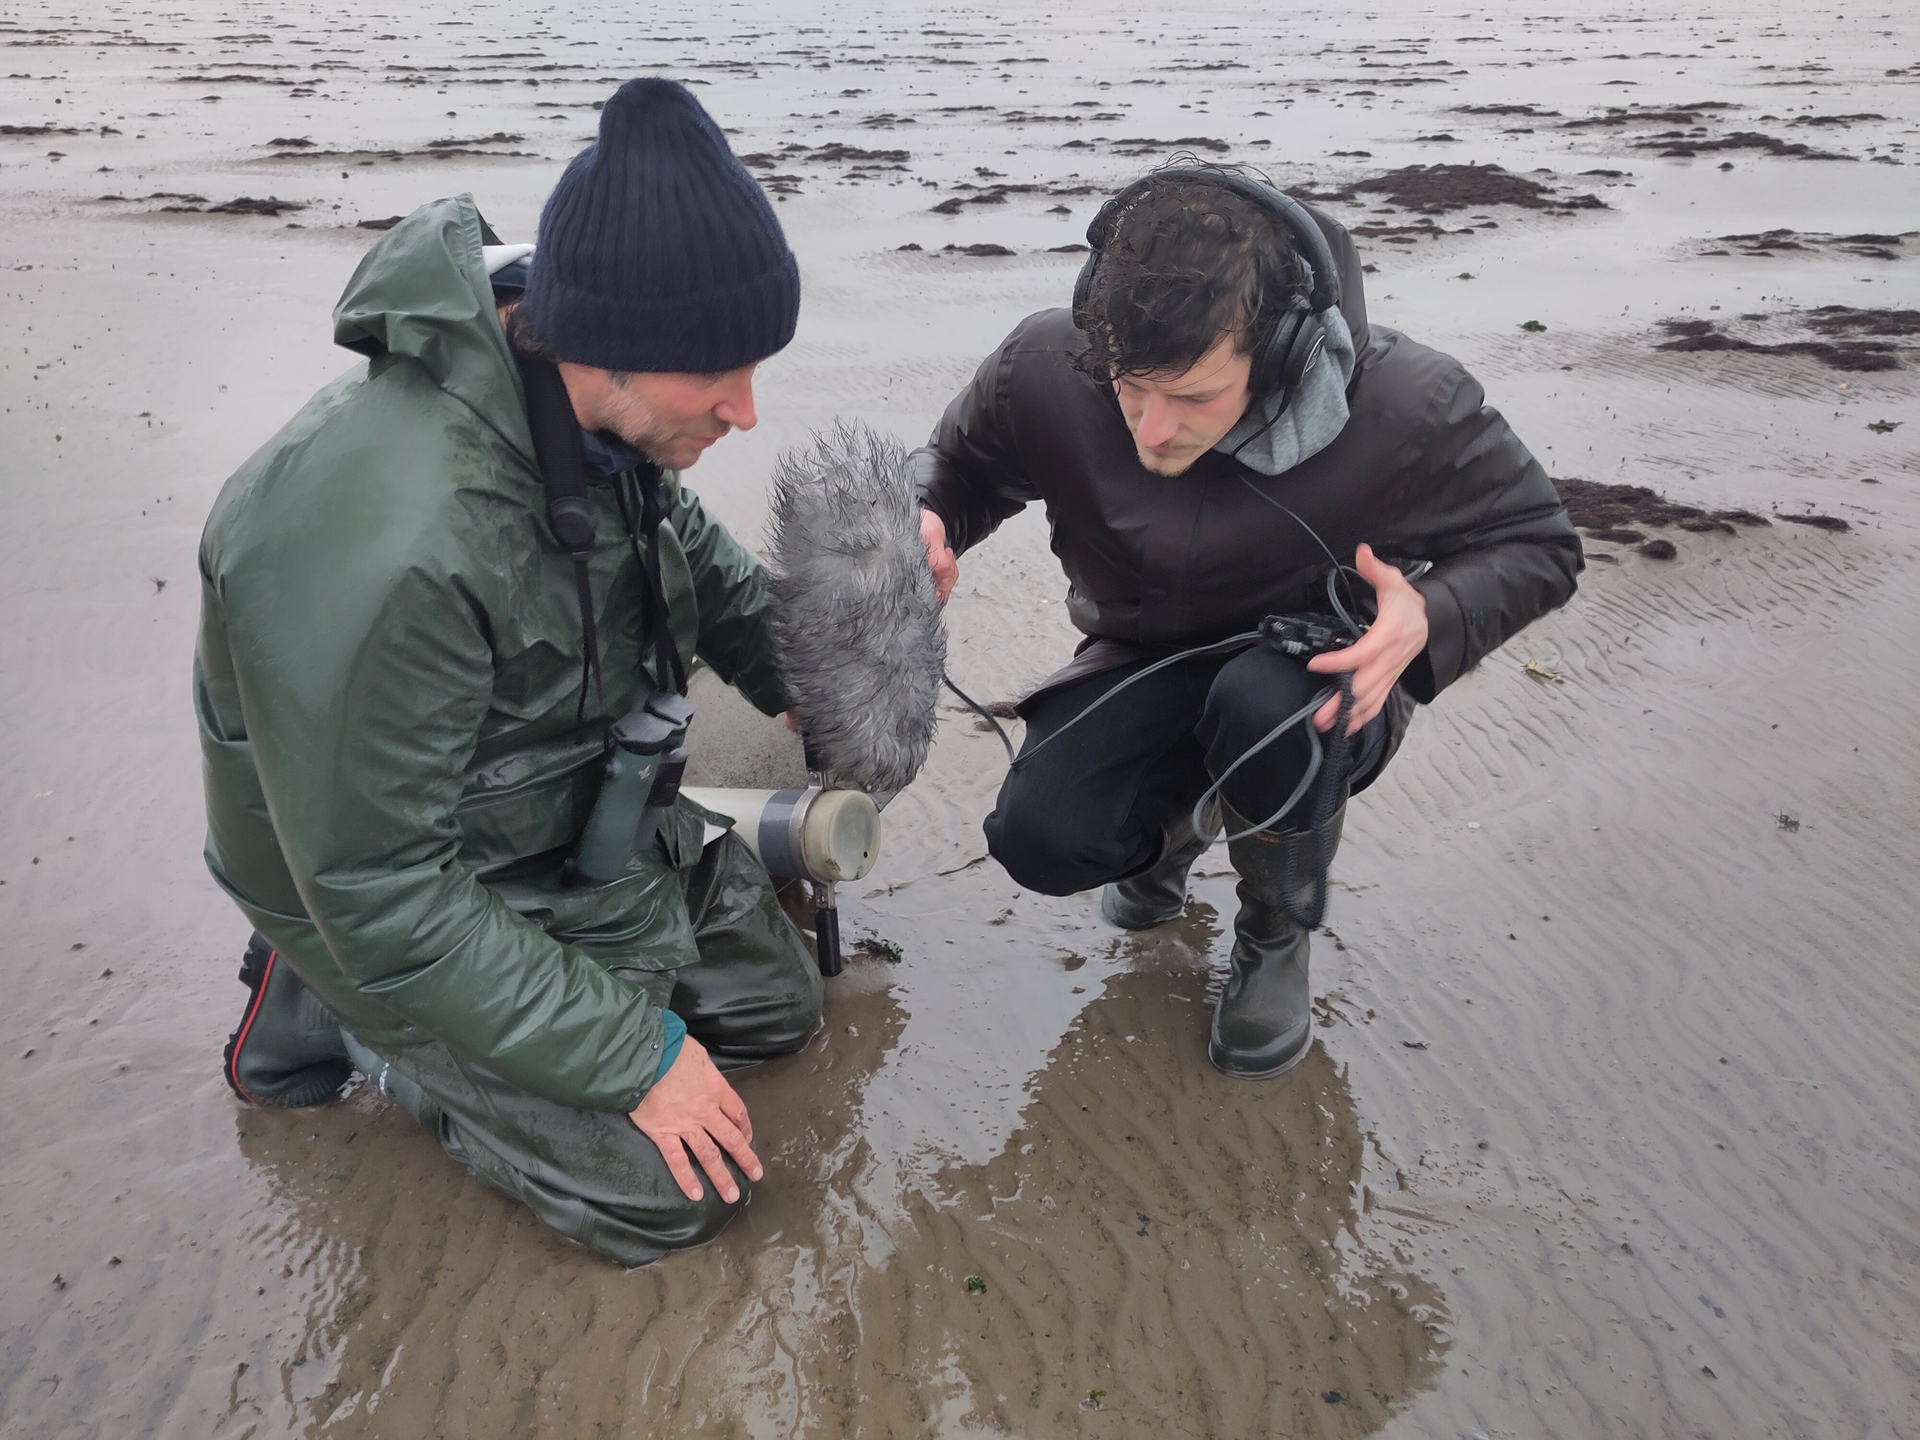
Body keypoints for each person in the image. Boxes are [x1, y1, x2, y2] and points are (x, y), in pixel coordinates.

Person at [198, 78, 823, 1267]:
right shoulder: (394, 544)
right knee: (678, 1198)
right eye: (721, 377)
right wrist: (632, 1056)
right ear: (610, 348)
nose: (746, 410)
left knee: (774, 1018)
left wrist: (849, 655)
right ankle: (327, 1005)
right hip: (387, 891)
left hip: (561, 823)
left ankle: (558, 1003)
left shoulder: (602, 416)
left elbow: (718, 586)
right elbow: (385, 893)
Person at [914, 164, 1582, 1080]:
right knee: (1041, 836)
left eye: (1194, 397)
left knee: (1266, 712)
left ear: (1283, 353)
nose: (1153, 430)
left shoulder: (1411, 405)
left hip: (1306, 673)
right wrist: (927, 516)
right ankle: (1179, 829)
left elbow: (1541, 541)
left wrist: (1427, 615)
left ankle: (1274, 932)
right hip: (1137, 654)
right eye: (1130, 387)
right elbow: (960, 466)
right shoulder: (1045, 366)